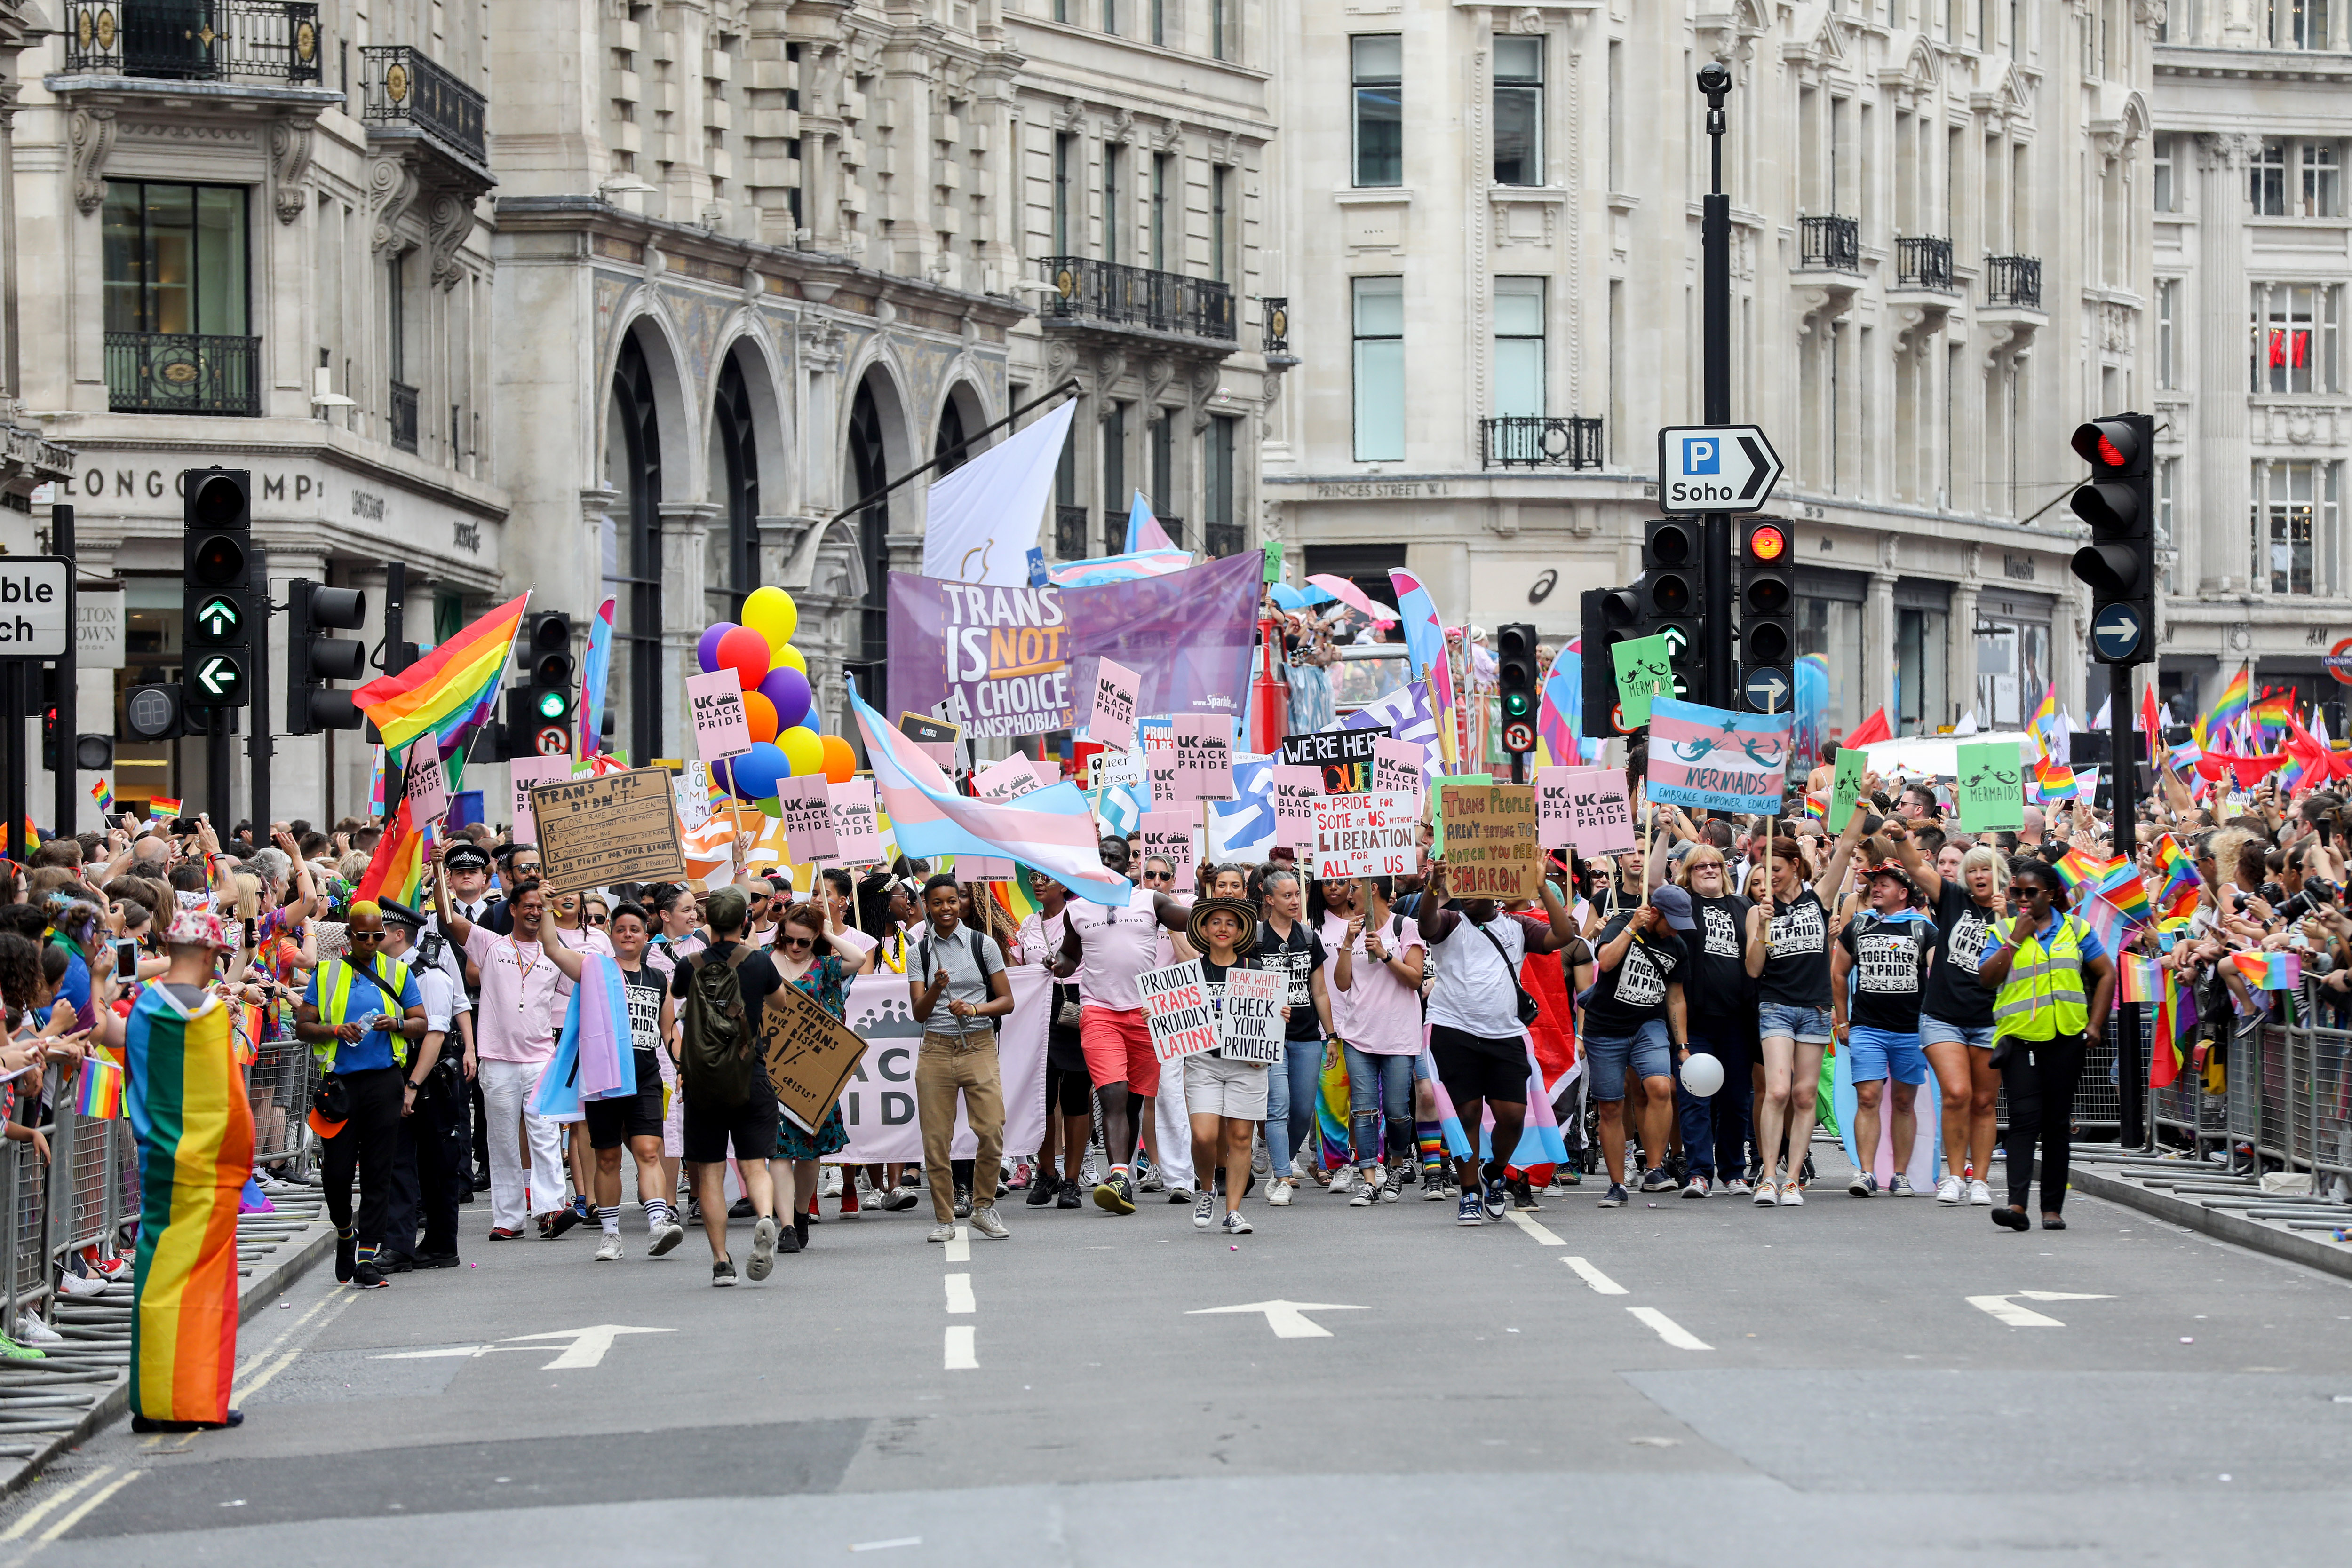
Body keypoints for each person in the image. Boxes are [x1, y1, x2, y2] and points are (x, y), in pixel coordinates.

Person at [125, 890, 253, 1431]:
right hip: (207, 1173)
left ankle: (152, 1400)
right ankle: (195, 1400)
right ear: (206, 955)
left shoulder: (145, 1007)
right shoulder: (210, 1012)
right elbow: (230, 1103)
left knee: (156, 1280)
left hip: (159, 1165)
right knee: (204, 1290)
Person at [1417, 855, 1579, 1225]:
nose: (1467, 893)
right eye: (1462, 886)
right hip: (1453, 1031)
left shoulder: (1518, 926)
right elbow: (1427, 924)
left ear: (1496, 888)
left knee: (1512, 1116)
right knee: (1467, 1114)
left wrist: (1540, 886)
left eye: (1476, 886)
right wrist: (1433, 887)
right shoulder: (1449, 922)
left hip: (1505, 1034)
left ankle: (1495, 1171)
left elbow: (1564, 936)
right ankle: (1471, 1191)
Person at [432, 865, 590, 1243]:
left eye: (542, 906)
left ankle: (551, 1210)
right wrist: (439, 869)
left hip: (539, 1060)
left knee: (546, 1137)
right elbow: (447, 917)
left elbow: (587, 982)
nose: (536, 911)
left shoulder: (556, 953)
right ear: (514, 910)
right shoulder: (490, 944)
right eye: (530, 906)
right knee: (502, 1141)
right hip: (498, 1061)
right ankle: (509, 1220)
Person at [1977, 858, 2116, 1233]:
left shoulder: (2076, 928)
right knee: (2023, 1123)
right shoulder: (2004, 929)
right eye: (2016, 892)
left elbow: (2106, 974)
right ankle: (2017, 1205)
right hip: (2020, 1040)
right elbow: (1987, 979)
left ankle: (2052, 1209)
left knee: (2056, 1124)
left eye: (2030, 892)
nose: (2022, 899)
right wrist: (2013, 939)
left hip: (2066, 1039)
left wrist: (2095, 1024)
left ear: (2050, 894)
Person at [294, 901, 428, 1289]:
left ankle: (367, 1256)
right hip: (340, 1087)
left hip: (384, 1083)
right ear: (349, 936)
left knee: (377, 1172)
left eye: (377, 935)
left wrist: (397, 1023)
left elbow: (421, 1022)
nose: (371, 942)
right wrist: (336, 1031)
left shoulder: (398, 972)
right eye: (362, 936)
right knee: (335, 1174)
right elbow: (303, 1027)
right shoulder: (326, 973)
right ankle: (344, 1232)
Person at [1055, 837, 1188, 1215]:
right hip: (1099, 1012)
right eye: (1102, 857)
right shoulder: (1077, 909)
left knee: (1133, 1100)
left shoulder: (1150, 901)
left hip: (1147, 1015)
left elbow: (1193, 921)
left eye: (1116, 857)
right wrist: (1059, 965)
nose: (1108, 861)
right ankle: (1117, 1176)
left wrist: (1214, 902)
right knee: (1112, 1091)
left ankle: (1122, 1179)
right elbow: (1070, 954)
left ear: (1129, 863)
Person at [1751, 807, 1868, 1206]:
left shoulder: (1819, 899)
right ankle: (1768, 1176)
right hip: (1776, 1007)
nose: (1771, 879)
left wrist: (1863, 805)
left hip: (1816, 1010)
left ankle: (1792, 1179)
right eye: (1766, 873)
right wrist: (1763, 929)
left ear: (1796, 867)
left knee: (1804, 1096)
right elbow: (1753, 970)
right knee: (1778, 1090)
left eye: (1778, 870)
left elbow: (1847, 846)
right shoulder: (1758, 911)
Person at [1885, 824, 2006, 1205]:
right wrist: (1902, 839)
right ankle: (1954, 1176)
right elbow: (1916, 870)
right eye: (1972, 871)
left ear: (1999, 874)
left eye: (1984, 870)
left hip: (1992, 1018)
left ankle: (1981, 1180)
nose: (1978, 876)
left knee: (1985, 1103)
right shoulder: (1953, 898)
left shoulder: (2017, 910)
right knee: (1957, 1093)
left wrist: (2011, 921)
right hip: (1944, 1017)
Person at [670, 886, 785, 1285]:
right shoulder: (758, 963)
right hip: (750, 1073)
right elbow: (780, 1003)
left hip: (705, 1081)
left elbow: (676, 999)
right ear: (745, 921)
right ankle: (767, 1218)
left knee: (711, 1175)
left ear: (707, 922)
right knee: (755, 1165)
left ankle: (721, 1262)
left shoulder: (690, 965)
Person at [909, 875, 1016, 1243]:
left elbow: (1007, 1000)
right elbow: (919, 1014)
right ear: (926, 905)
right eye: (937, 902)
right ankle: (943, 1218)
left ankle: (983, 1208)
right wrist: (936, 987)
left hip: (979, 1045)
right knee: (936, 1140)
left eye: (952, 901)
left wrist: (974, 1007)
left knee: (991, 1129)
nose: (946, 909)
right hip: (936, 1050)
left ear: (962, 903)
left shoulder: (982, 944)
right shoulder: (918, 952)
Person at [1581, 886, 1693, 1207]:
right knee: (1612, 1107)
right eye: (1672, 921)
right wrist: (1632, 928)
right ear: (1654, 913)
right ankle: (1617, 1185)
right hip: (1605, 1029)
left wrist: (1682, 1045)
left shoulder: (1678, 946)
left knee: (1660, 1087)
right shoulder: (1621, 924)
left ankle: (1656, 1170)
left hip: (1649, 1025)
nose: (1676, 930)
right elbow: (1605, 962)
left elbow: (1675, 997)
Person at [1831, 862, 1937, 1197]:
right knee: (1868, 1097)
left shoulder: (1924, 929)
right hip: (1867, 1029)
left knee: (1904, 1103)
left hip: (1910, 1031)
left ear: (1903, 894)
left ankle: (1901, 1174)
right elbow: (1838, 973)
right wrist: (1843, 1019)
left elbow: (1940, 972)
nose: (1875, 888)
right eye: (1874, 884)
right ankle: (1866, 1172)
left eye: (1885, 884)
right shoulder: (1858, 926)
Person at [376, 900, 469, 1271]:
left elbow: (434, 1035)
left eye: (382, 930)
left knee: (438, 1165)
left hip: (429, 1081)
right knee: (399, 1162)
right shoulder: (387, 970)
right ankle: (399, 1245)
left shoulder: (428, 975)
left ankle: (442, 1245)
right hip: (401, 1076)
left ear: (399, 935)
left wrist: (412, 1086)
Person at [770, 900, 866, 1251]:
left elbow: (858, 959)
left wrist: (825, 931)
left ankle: (799, 1213)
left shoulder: (826, 966)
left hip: (814, 1076)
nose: (794, 947)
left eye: (803, 941)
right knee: (779, 1152)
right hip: (772, 1072)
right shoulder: (765, 960)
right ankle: (785, 1227)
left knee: (809, 1154)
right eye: (789, 939)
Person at [589, 902, 684, 1260]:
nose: (628, 935)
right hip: (604, 1079)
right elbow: (553, 948)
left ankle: (659, 1223)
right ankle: (611, 1236)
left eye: (635, 930)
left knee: (648, 1151)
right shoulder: (596, 971)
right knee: (609, 1158)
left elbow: (669, 1031)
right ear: (610, 935)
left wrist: (680, 1065)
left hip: (646, 1077)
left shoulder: (659, 979)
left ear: (647, 936)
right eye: (621, 929)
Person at [1326, 875, 1426, 1204]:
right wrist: (1346, 943)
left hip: (1398, 1035)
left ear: (1373, 889)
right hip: (1358, 1035)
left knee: (1397, 1111)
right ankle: (1369, 1178)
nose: (1347, 892)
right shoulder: (1352, 928)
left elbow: (1414, 980)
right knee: (1365, 1111)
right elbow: (1341, 984)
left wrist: (1385, 954)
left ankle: (1396, 1162)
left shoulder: (1405, 926)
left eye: (1353, 887)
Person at [1672, 845, 1765, 1198]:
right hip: (1697, 1019)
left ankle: (1733, 1171)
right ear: (1688, 873)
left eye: (1715, 865)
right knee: (1695, 1096)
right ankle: (1698, 1172)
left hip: (1738, 1020)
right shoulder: (1684, 905)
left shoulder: (1744, 907)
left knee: (1736, 1099)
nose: (1709, 870)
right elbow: (1652, 883)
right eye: (1700, 867)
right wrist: (1665, 832)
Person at [1183, 897, 1273, 1236]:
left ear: (1240, 931)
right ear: (1205, 930)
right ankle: (1207, 1189)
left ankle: (1233, 1211)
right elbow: (1175, 1017)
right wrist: (1156, 1016)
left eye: (1230, 923)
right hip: (1204, 1063)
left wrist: (1278, 1019)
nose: (1222, 929)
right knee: (1204, 1135)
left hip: (1248, 1064)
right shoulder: (1190, 974)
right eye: (1216, 922)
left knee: (1240, 1137)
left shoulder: (1255, 971)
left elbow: (1268, 1021)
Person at [1255, 868, 1336, 1204]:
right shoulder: (1256, 939)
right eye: (1287, 896)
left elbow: (1319, 990)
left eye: (1297, 896)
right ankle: (1283, 1176)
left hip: (1306, 1037)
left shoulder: (1308, 937)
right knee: (1279, 1107)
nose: (1294, 902)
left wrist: (1331, 1035)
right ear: (1270, 900)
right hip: (1270, 1037)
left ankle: (1282, 1162)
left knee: (1303, 1111)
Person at [1017, 874, 1091, 1211]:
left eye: (1047, 878)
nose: (1038, 883)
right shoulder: (1028, 924)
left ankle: (1072, 1180)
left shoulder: (1081, 915)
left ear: (1064, 885)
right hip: (1037, 1010)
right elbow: (1018, 968)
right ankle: (1047, 1173)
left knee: (1076, 1097)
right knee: (1042, 1098)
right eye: (1034, 877)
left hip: (1075, 1006)